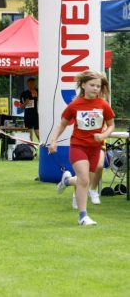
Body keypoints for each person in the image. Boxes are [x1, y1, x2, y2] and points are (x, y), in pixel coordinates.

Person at [48, 70, 115, 226]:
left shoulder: (103, 105)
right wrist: (53, 141)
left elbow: (111, 125)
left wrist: (104, 135)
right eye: (92, 85)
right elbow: (62, 124)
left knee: (84, 180)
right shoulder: (75, 105)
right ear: (83, 85)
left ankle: (66, 181)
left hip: (95, 148)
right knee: (84, 180)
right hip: (78, 146)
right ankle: (83, 216)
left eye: (98, 86)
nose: (95, 88)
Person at [19, 77, 39, 141]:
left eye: (33, 84)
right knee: (29, 135)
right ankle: (31, 149)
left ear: (35, 84)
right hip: (28, 116)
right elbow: (21, 107)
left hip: (37, 115)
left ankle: (43, 148)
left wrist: (37, 97)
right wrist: (25, 103)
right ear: (27, 84)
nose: (31, 85)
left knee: (38, 133)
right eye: (30, 84)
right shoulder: (24, 94)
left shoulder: (39, 91)